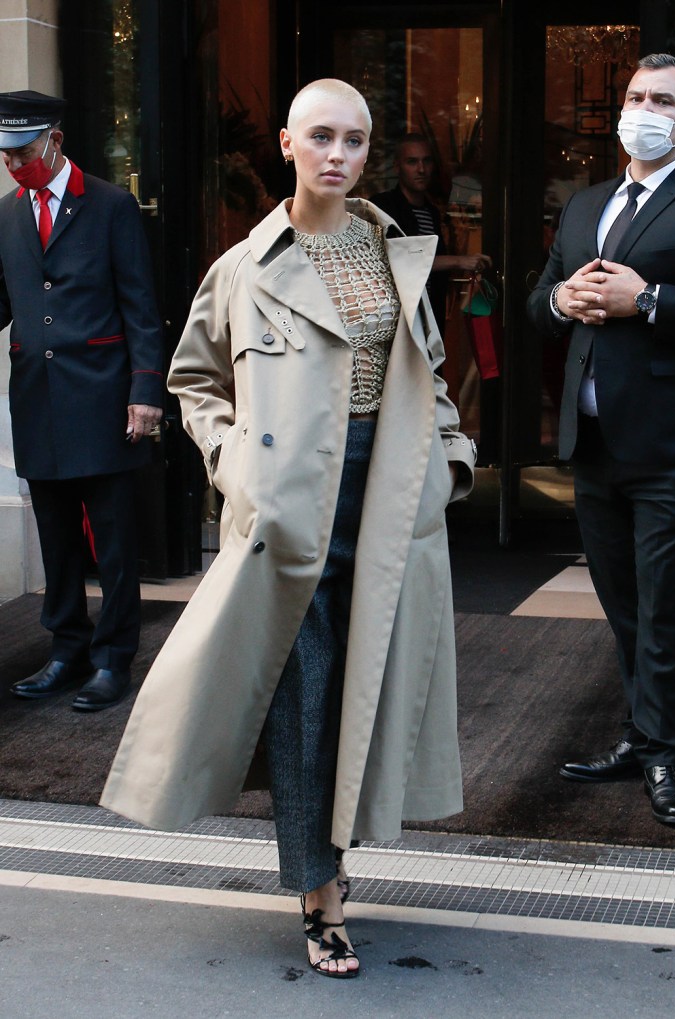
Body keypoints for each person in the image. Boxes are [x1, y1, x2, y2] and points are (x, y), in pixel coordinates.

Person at [101, 78, 476, 976]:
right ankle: (322, 898)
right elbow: (194, 382)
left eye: (354, 140)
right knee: (305, 702)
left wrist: (451, 462)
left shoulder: (398, 254)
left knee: (367, 693)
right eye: (321, 137)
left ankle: (335, 868)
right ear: (286, 145)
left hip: (386, 500)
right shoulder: (243, 267)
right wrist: (238, 468)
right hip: (287, 507)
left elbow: (431, 371)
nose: (339, 155)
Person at [526, 53, 675, 827]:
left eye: (663, 100)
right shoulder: (586, 202)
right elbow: (538, 298)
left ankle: (663, 749)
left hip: (667, 446)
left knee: (665, 608)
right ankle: (645, 732)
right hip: (593, 444)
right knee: (622, 605)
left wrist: (645, 297)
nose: (644, 109)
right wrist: (563, 295)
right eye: (636, 95)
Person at [0, 90, 164, 711]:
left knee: (116, 542)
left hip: (103, 399)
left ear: (55, 141)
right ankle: (66, 650)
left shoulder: (112, 206)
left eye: (23, 152)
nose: (15, 166)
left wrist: (145, 391)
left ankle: (112, 658)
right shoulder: (5, 214)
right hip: (37, 399)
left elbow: (141, 309)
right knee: (56, 536)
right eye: (5, 157)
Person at [370, 132, 491, 333]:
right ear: (397, 166)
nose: (421, 169)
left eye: (427, 161)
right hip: (395, 318)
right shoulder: (384, 207)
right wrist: (460, 261)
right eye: (412, 162)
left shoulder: (432, 212)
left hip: (428, 316)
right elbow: (399, 260)